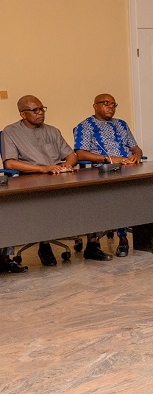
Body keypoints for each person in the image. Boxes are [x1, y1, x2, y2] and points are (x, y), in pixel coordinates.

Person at [1, 96, 83, 269]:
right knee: (43, 205)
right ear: (23, 114)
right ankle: (44, 245)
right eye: (35, 110)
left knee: (87, 195)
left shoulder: (52, 131)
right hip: (30, 179)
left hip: (59, 177)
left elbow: (71, 154)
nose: (40, 113)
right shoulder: (10, 132)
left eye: (42, 109)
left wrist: (68, 163)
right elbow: (10, 163)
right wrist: (42, 169)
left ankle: (92, 244)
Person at [73, 93, 143, 258]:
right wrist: (109, 159)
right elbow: (80, 154)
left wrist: (137, 156)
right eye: (105, 103)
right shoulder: (85, 126)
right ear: (95, 106)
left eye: (113, 104)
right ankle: (122, 239)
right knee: (118, 197)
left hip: (129, 168)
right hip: (102, 170)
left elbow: (136, 148)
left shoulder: (121, 124)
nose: (110, 107)